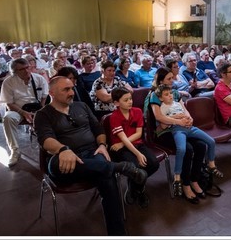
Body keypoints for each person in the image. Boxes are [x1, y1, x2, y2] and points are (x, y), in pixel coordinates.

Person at [34, 77, 148, 236]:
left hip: (93, 153)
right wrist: (63, 149)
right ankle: (120, 167)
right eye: (65, 90)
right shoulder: (43, 114)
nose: (71, 93)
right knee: (55, 164)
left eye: (72, 88)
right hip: (65, 160)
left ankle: (117, 234)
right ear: (52, 93)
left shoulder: (81, 106)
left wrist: (102, 145)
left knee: (107, 178)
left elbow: (98, 130)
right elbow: (45, 140)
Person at [148, 67, 210, 204]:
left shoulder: (174, 92)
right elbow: (159, 116)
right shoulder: (155, 95)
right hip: (164, 132)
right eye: (169, 79)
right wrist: (178, 121)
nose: (173, 80)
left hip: (180, 128)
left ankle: (194, 180)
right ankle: (185, 184)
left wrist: (189, 119)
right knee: (187, 149)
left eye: (172, 78)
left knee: (201, 145)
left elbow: (184, 109)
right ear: (160, 81)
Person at [154, 84, 222, 187]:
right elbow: (163, 124)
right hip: (178, 130)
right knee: (182, 149)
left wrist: (188, 118)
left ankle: (211, 165)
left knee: (211, 141)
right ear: (160, 98)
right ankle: (177, 176)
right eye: (166, 94)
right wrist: (177, 117)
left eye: (171, 93)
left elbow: (186, 114)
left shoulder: (177, 103)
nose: (170, 96)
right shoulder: (163, 107)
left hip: (190, 128)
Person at [108, 87, 159, 209]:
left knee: (154, 164)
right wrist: (137, 153)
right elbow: (123, 139)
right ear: (116, 103)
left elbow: (138, 134)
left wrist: (122, 143)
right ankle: (140, 190)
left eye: (130, 99)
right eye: (126, 100)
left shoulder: (137, 111)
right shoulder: (114, 116)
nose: (130, 102)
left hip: (135, 144)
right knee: (136, 167)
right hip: (121, 150)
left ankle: (135, 186)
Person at [0, 58, 49, 166]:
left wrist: (39, 113)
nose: (26, 71)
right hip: (18, 109)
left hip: (37, 108)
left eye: (27, 67)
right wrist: (23, 113)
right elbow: (9, 103)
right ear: (15, 72)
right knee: (8, 118)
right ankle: (15, 150)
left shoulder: (39, 78)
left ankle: (50, 146)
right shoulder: (9, 82)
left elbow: (44, 99)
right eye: (22, 69)